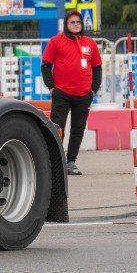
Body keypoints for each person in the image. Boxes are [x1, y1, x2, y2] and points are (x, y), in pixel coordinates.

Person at [41, 9, 102, 176]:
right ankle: (55, 162)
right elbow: (46, 66)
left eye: (78, 22)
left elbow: (97, 68)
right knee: (57, 127)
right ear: (66, 25)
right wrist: (52, 87)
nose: (76, 25)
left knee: (78, 129)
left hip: (84, 95)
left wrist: (93, 90)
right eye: (72, 22)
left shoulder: (90, 43)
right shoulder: (55, 41)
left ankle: (71, 162)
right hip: (62, 93)